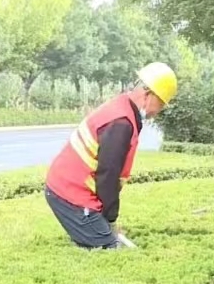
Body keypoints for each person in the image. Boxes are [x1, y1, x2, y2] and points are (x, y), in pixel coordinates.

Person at [45, 62, 178, 249]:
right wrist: (109, 219)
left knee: (106, 239)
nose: (159, 111)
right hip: (69, 193)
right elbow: (108, 176)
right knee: (110, 249)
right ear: (148, 94)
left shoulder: (123, 108)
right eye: (161, 103)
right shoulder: (121, 122)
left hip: (68, 188)